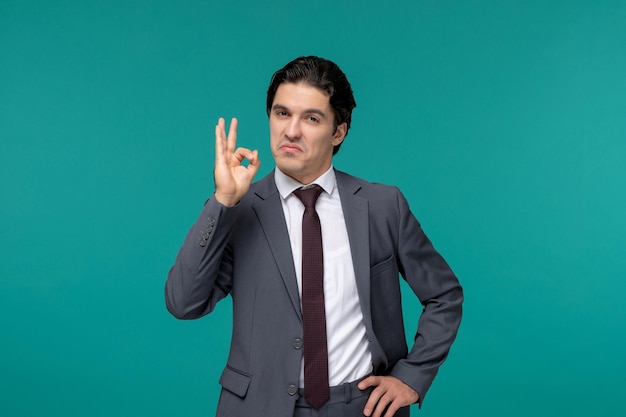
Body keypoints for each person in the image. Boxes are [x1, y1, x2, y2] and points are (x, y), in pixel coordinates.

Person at [165, 56, 463, 417]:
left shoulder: (383, 206)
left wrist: (413, 377)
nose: (291, 131)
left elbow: (444, 295)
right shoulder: (239, 209)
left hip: (362, 407)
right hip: (260, 406)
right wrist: (223, 200)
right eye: (281, 113)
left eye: (311, 118)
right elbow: (183, 303)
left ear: (339, 131)